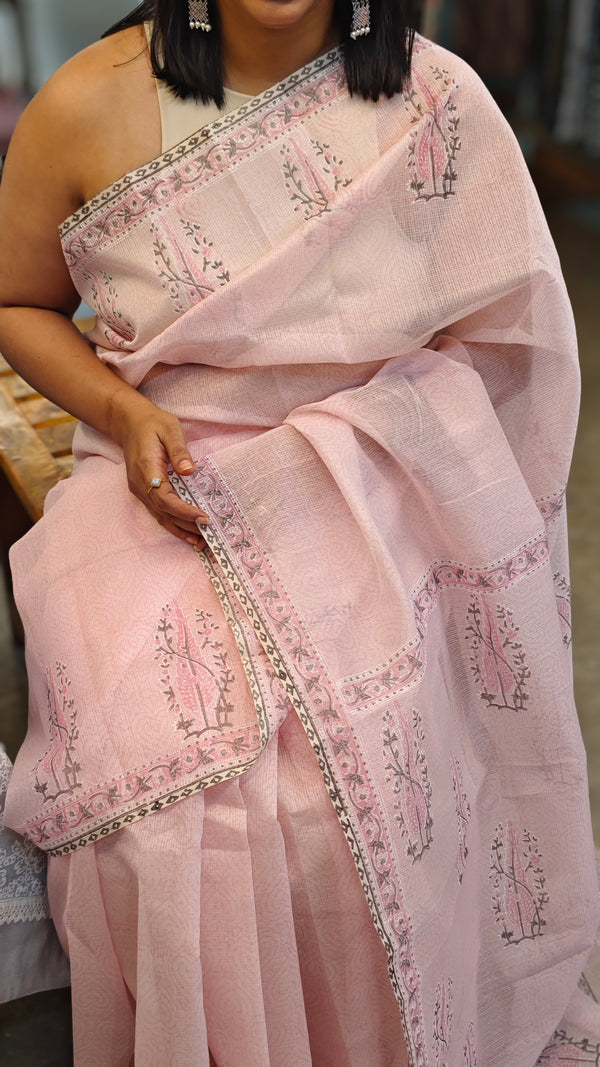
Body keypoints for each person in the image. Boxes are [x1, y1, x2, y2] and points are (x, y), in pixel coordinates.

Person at [0, 0, 599, 1063]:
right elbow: (16, 301)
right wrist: (126, 411)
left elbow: (511, 340)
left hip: (382, 480)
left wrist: (377, 438)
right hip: (165, 472)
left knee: (343, 788)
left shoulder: (436, 104)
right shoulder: (86, 101)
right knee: (167, 788)